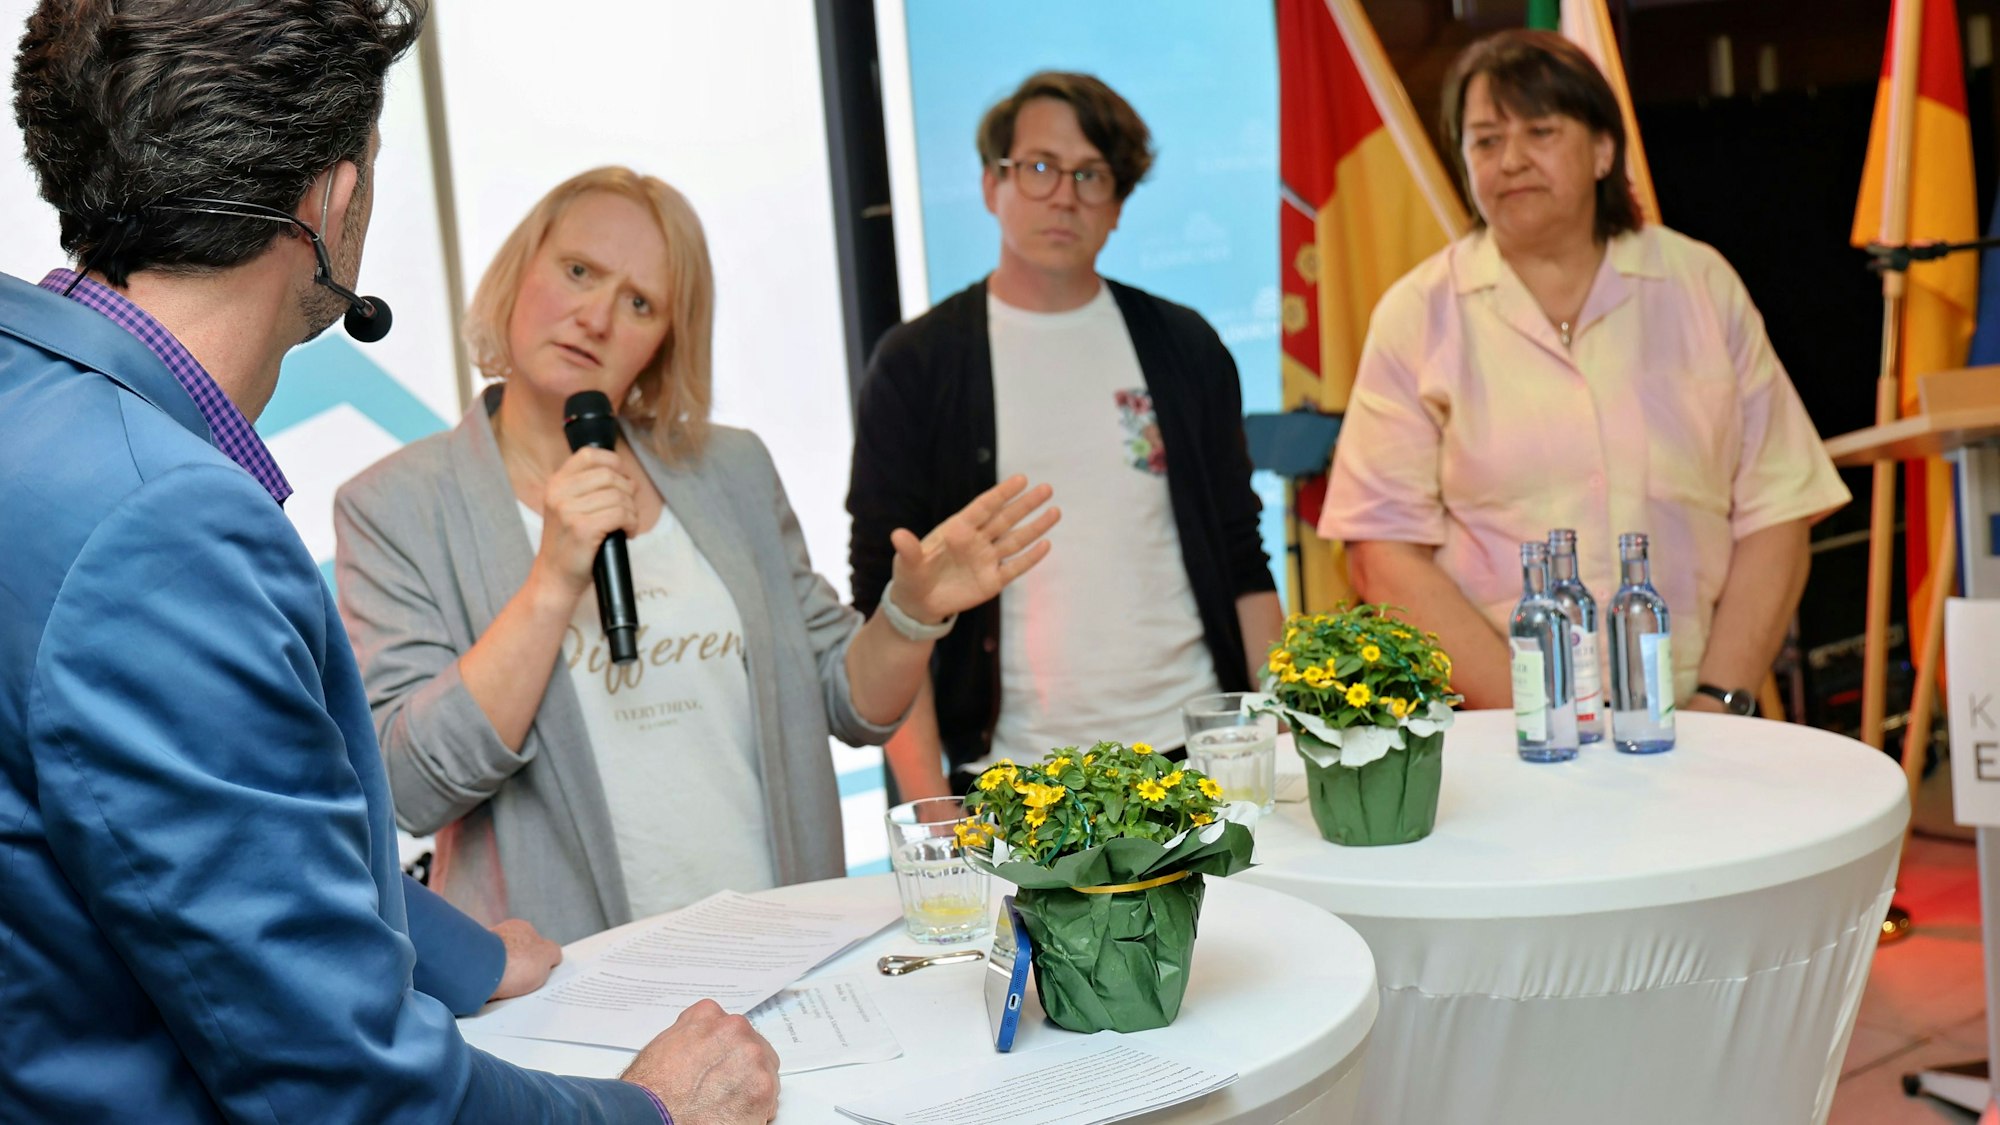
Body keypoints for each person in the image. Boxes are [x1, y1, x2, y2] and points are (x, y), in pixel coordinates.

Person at [1, 3, 777, 1120]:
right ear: (333, 199)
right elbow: (347, 1090)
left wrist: (453, 954)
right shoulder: (164, 530)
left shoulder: (33, 406)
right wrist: (651, 1112)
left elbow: (192, 832)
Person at [335, 166, 1057, 944]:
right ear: (520, 271)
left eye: (640, 302)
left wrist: (911, 615)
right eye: (578, 271)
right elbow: (410, 787)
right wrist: (552, 583)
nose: (597, 316)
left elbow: (851, 702)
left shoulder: (731, 470)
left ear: (663, 342)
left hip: (780, 953)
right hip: (566, 989)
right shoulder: (395, 506)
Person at [1318, 30, 1849, 715]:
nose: (1510, 160)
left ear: (1603, 150)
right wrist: (1534, 711)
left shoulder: (1698, 285)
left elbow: (1779, 510)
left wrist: (1717, 698)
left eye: (1539, 131)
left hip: (1695, 715)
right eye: (1484, 140)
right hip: (1498, 728)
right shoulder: (1418, 315)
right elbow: (1383, 553)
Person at [847, 71, 1282, 799]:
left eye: (1092, 175)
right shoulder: (918, 365)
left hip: (1196, 756)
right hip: (1015, 778)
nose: (1065, 195)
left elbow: (1243, 557)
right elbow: (888, 601)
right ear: (992, 184)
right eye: (1040, 168)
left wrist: (1282, 741)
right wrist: (931, 811)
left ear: (1117, 205)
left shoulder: (1185, 346)